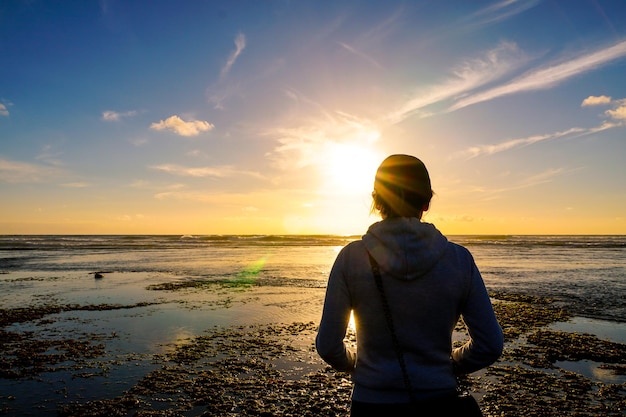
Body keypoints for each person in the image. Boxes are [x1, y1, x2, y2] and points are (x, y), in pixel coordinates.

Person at [316, 154, 503, 416]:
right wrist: (451, 364)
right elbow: (490, 345)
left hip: (371, 403)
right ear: (426, 202)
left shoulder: (351, 258)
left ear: (376, 200)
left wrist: (357, 363)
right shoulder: (459, 260)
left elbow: (328, 346)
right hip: (439, 401)